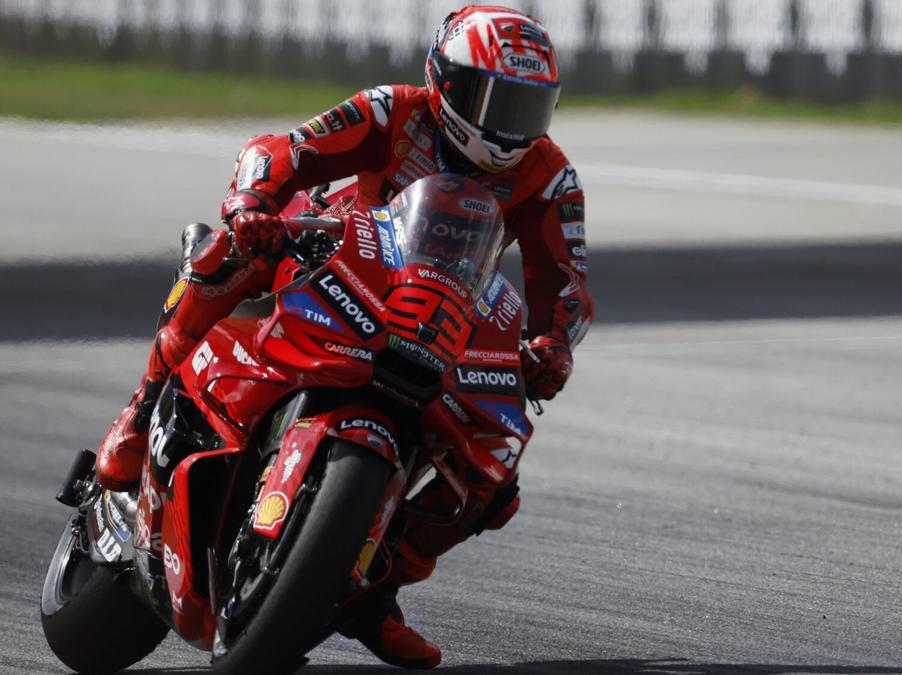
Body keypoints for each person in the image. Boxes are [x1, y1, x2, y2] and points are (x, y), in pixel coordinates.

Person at [93, 5, 592, 668]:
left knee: (495, 474)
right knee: (222, 256)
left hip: (445, 312)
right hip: (341, 248)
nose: (510, 126)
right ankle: (142, 402)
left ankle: (371, 588)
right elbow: (284, 150)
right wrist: (255, 204)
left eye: (531, 108)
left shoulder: (550, 176)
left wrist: (551, 346)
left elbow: (566, 284)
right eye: (494, 99)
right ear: (445, 80)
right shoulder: (394, 109)